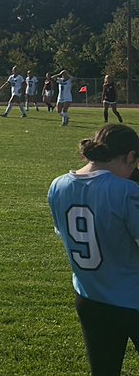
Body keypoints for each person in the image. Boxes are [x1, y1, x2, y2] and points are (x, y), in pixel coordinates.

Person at [48, 123, 139, 375]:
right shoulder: (126, 191)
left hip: (90, 297)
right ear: (130, 156)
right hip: (133, 298)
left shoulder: (57, 185)